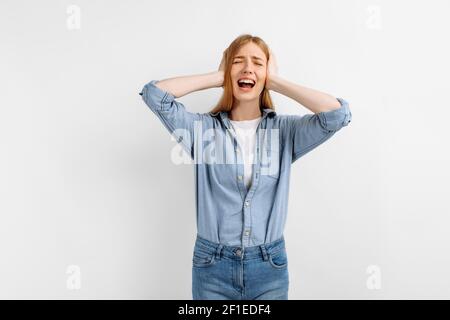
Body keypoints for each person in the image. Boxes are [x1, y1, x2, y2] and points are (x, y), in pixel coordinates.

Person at [139, 34, 352, 300]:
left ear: (267, 74)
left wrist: (275, 82)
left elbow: (338, 115)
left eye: (257, 63)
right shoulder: (202, 131)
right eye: (238, 62)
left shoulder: (285, 132)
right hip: (211, 267)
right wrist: (218, 76)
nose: (247, 68)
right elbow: (154, 94)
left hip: (269, 268)